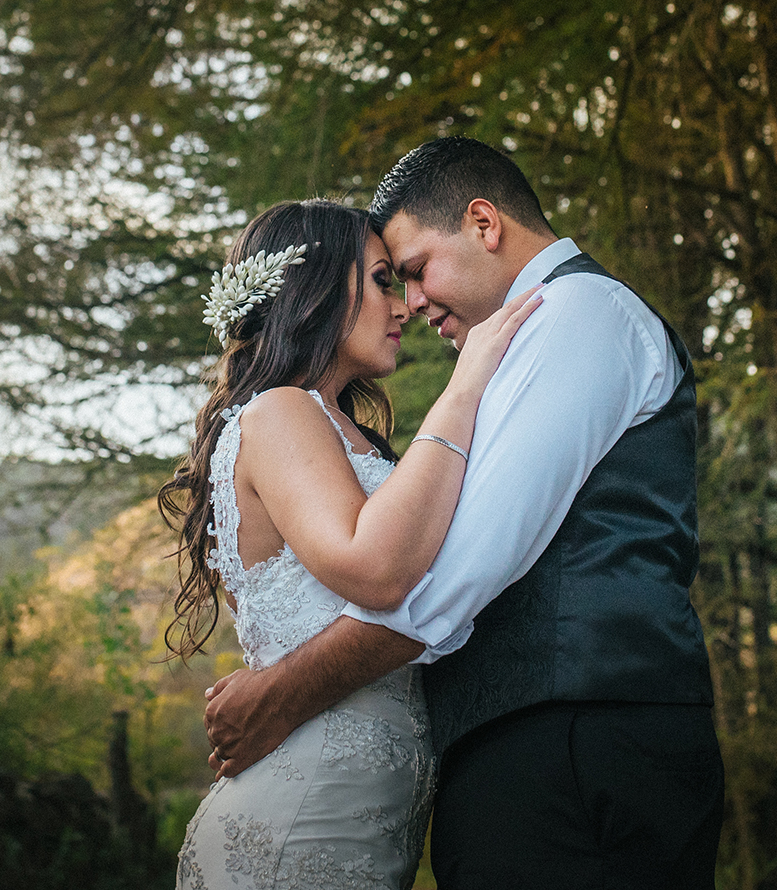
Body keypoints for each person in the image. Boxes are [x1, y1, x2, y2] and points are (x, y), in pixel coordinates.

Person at [202, 137, 725, 889]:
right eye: (387, 280)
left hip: (578, 742)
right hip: (505, 760)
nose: (410, 304)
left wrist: (283, 691)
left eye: (410, 271)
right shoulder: (305, 414)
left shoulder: (576, 312)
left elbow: (456, 571)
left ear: (484, 223)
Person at [161, 198, 543, 890]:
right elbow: (372, 567)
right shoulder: (280, 410)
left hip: (360, 832)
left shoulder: (345, 432)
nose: (404, 306)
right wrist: (467, 385)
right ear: (315, 291)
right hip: (296, 827)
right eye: (382, 280)